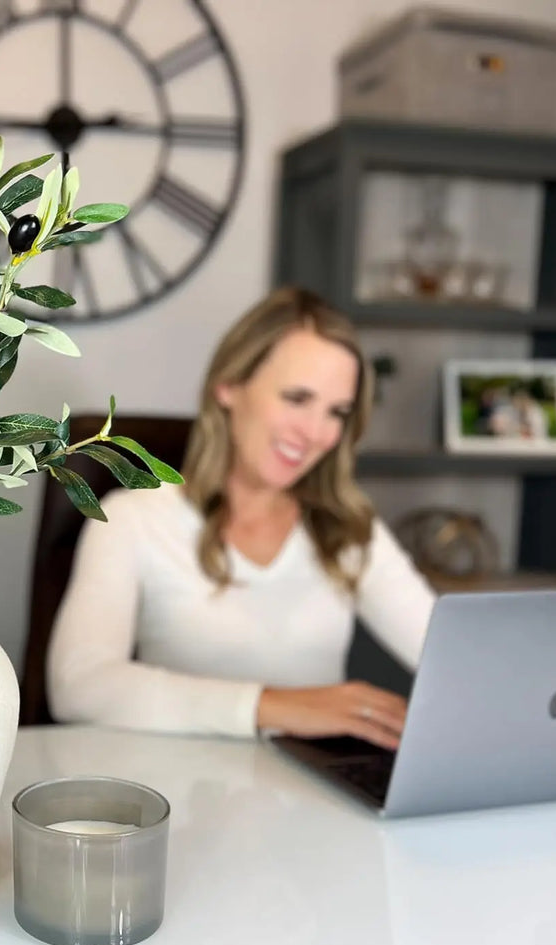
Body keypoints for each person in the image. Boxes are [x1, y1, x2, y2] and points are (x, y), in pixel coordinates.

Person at [47, 286, 436, 750]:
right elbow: (78, 687)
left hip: (309, 790)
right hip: (177, 786)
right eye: (297, 398)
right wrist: (270, 706)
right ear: (229, 387)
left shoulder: (349, 529)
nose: (315, 433)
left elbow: (449, 656)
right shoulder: (133, 519)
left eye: (337, 412)